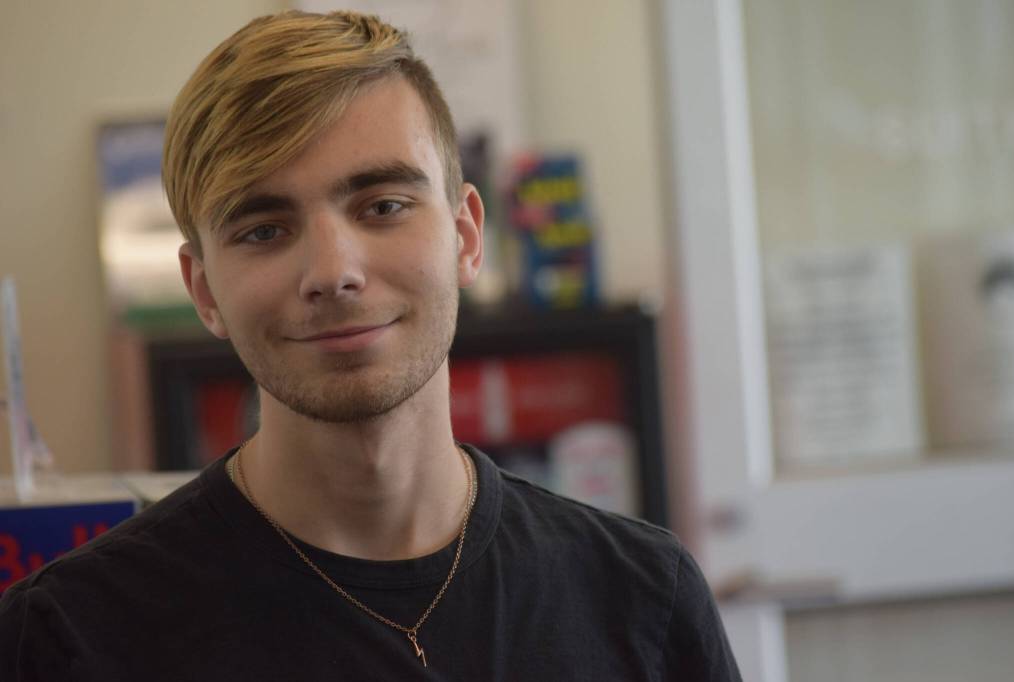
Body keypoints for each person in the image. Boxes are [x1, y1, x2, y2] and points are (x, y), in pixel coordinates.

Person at [0, 10, 741, 680]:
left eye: (383, 206)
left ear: (465, 235)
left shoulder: (644, 600)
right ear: (203, 291)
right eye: (264, 230)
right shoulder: (69, 639)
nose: (333, 272)